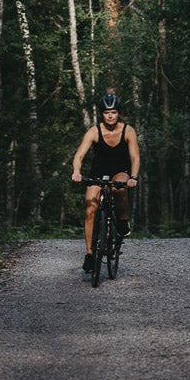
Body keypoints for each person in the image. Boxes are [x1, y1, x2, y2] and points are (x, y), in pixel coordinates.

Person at [72, 92, 140, 272]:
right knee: (89, 210)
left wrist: (133, 177)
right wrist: (77, 172)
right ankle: (89, 254)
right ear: (102, 114)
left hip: (120, 172)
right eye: (107, 112)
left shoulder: (128, 131)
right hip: (98, 173)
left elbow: (135, 157)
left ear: (119, 113)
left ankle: (123, 221)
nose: (110, 115)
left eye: (114, 112)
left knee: (119, 189)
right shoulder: (94, 131)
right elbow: (79, 155)